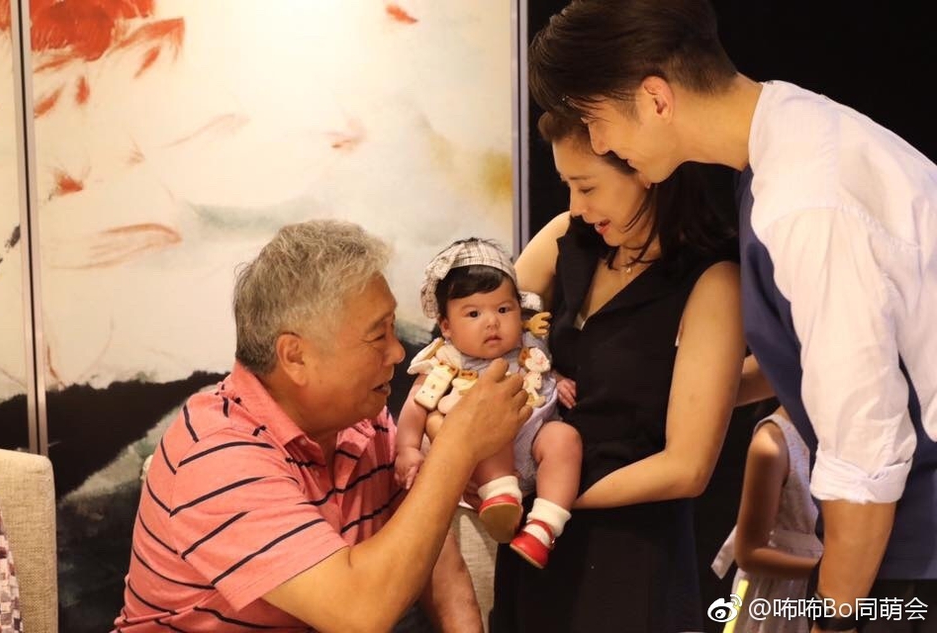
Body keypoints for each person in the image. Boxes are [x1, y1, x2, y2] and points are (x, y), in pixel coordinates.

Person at [528, 2, 937, 631]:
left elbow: (865, 454)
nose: (600, 143)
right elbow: (824, 363)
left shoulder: (806, 202)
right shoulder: (787, 142)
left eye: (596, 121)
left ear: (656, 99)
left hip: (914, 548)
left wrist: (833, 619)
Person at [113, 220, 531, 632]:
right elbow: (359, 613)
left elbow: (430, 552)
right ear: (295, 356)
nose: (397, 352)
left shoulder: (363, 422)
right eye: (378, 336)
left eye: (393, 329)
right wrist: (457, 448)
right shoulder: (217, 454)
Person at [491, 111, 744, 632]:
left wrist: (553, 497)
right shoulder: (569, 237)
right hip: (535, 541)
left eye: (587, 187)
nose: (575, 207)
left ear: (645, 167)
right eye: (567, 186)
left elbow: (687, 467)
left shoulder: (709, 280)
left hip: (626, 553)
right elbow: (480, 335)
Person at [396, 237, 582, 569]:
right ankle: (500, 497)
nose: (492, 321)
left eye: (503, 309)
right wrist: (408, 448)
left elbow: (543, 370)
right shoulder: (446, 361)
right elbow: (416, 405)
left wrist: (558, 379)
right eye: (473, 313)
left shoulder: (529, 346)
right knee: (490, 424)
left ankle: (544, 526)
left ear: (519, 310)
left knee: (565, 438)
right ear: (447, 326)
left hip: (535, 447)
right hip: (487, 469)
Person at [712, 405, 823, 633]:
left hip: (836, 587)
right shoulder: (774, 442)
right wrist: (829, 569)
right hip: (783, 596)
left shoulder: (843, 429)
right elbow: (749, 554)